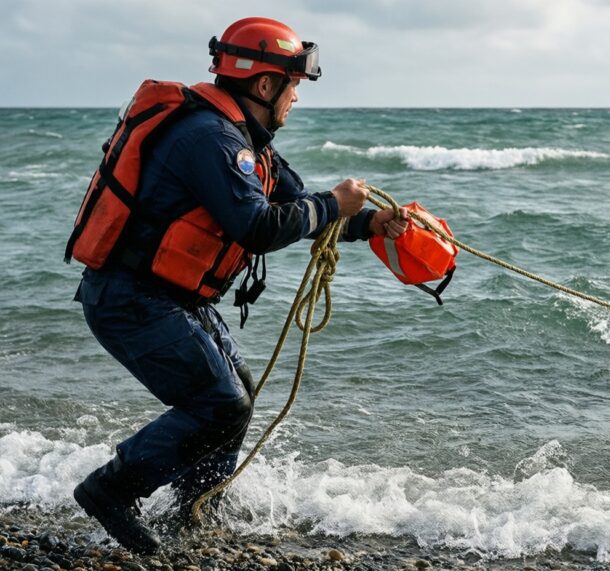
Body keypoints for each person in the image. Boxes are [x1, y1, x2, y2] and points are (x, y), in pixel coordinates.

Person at [68, 17, 409, 554]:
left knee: (236, 397)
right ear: (265, 84)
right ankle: (110, 490)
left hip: (170, 298)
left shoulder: (248, 140)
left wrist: (368, 223)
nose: (297, 97)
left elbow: (299, 208)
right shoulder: (211, 138)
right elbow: (259, 227)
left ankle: (195, 509)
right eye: (293, 85)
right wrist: (332, 203)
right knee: (220, 404)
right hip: (130, 297)